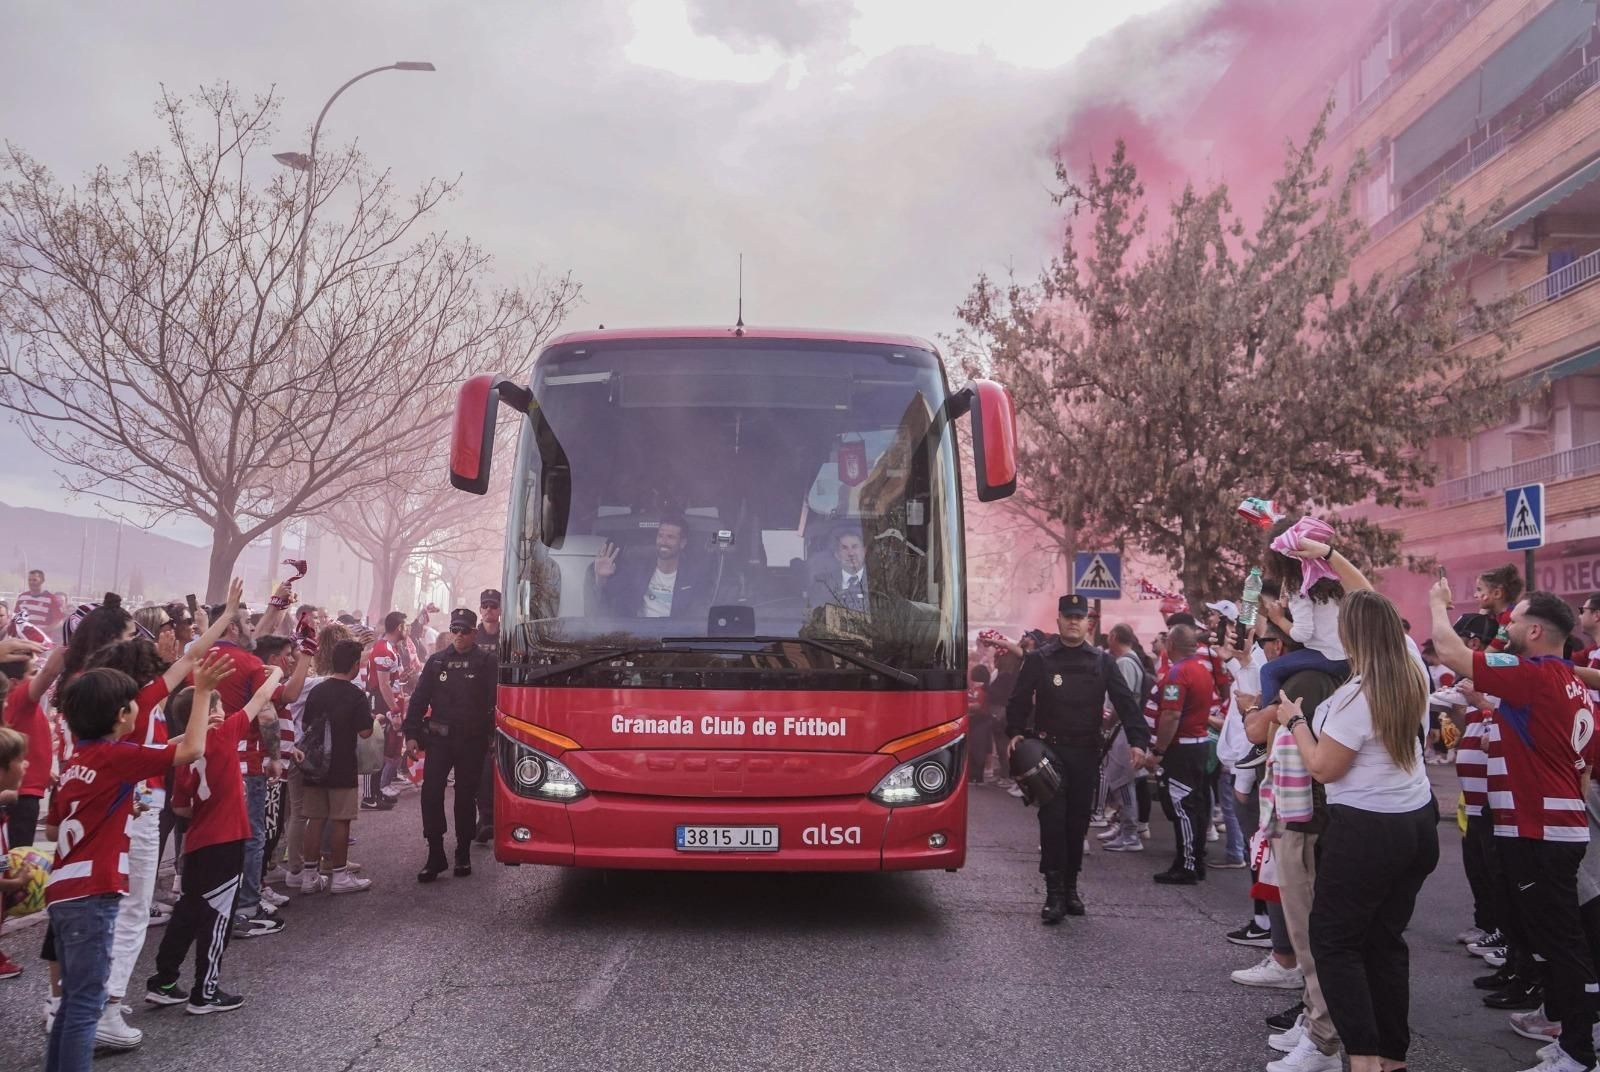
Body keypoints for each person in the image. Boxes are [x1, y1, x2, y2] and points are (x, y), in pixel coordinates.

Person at [1431, 582, 1599, 1072]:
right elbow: (1572, 759)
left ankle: (1578, 1053)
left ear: (1534, 630)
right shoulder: (1568, 682)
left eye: (1512, 620)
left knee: (1562, 943)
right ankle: (1569, 1032)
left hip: (1540, 831)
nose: (1504, 626)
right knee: (1552, 937)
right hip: (1552, 827)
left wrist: (1438, 603)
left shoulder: (1539, 674)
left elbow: (1450, 650)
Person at [1275, 588, 1438, 1072]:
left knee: (1335, 943)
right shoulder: (1413, 673)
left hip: (1368, 830)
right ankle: (1390, 1059)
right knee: (1385, 942)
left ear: (1351, 635)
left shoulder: (1356, 696)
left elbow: (1325, 768)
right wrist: (1328, 555)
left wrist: (1297, 721)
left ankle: (1362, 1059)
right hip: (1416, 823)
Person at [43, 656, 217, 1070]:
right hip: (94, 890)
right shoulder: (115, 757)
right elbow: (191, 749)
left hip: (63, 890)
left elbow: (53, 831)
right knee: (87, 1005)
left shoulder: (77, 763)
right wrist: (205, 691)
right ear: (122, 715)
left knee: (70, 1005)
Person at [147, 660, 286, 1014]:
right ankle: (205, 992)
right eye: (219, 705)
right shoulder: (223, 735)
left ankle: (163, 980)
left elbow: (181, 809)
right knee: (218, 916)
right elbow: (260, 699)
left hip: (196, 841)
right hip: (225, 841)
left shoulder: (183, 754)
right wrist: (279, 673)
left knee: (188, 912)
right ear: (209, 711)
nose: (225, 711)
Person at [1006, 594, 1148, 923]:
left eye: (1079, 617)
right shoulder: (1040, 659)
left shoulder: (1102, 662)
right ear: (1058, 621)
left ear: (1089, 623)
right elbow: (1018, 699)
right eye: (1067, 616)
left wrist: (1139, 741)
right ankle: (1053, 894)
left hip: (1085, 754)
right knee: (1053, 823)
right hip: (1049, 753)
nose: (1073, 621)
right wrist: (1014, 732)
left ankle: (1071, 888)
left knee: (1077, 824)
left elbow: (1126, 703)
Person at [404, 609, 498, 882]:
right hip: (440, 741)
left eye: (464, 630)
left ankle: (463, 851)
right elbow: (419, 700)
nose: (458, 635)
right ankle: (435, 854)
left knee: (465, 798)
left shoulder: (486, 662)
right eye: (455, 629)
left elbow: (496, 702)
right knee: (431, 795)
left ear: (474, 632)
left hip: (472, 741)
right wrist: (411, 734)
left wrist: (494, 738)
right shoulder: (436, 663)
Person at [1144, 623, 1220, 884]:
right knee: (1196, 805)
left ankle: (1187, 864)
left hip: (1182, 747)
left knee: (1183, 807)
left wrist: (1158, 750)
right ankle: (1195, 859)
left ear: (1171, 646)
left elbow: (1171, 714)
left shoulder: (1178, 674)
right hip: (1198, 744)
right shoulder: (1201, 669)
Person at [297, 640, 374, 895]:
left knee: (314, 819)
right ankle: (339, 875)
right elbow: (365, 732)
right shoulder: (355, 694)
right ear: (354, 665)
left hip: (315, 765)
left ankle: (309, 875)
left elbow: (307, 723)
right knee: (341, 820)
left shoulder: (318, 690)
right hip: (342, 764)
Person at [593, 515, 709, 619]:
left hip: (675, 637)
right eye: (660, 536)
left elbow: (698, 616)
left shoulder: (694, 576)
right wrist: (601, 577)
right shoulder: (636, 568)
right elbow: (609, 596)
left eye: (670, 537)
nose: (663, 542)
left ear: (682, 543)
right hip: (640, 636)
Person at [472, 590, 502, 842]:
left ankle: (488, 816)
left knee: (490, 765)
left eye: (494, 605)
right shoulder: (471, 636)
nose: (489, 610)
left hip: (501, 707)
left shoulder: (510, 636)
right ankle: (479, 816)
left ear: (501, 609)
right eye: (485, 605)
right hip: (473, 708)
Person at [809, 529, 870, 612]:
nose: (851, 553)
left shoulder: (880, 581)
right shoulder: (822, 584)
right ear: (837, 555)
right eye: (844, 548)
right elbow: (816, 616)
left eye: (855, 547)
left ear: (864, 551)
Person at [15, 569, 65, 637]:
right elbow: (16, 617)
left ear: (42, 581)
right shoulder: (22, 597)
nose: (31, 582)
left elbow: (59, 621)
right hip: (24, 638)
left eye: (34, 580)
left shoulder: (51, 599)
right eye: (29, 580)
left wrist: (43, 631)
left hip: (42, 640)